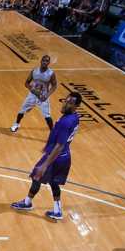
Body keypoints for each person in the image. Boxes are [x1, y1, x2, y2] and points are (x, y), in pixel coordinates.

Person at [10, 92, 82, 220]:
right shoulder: (75, 117)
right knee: (54, 183)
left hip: (55, 157)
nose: (66, 103)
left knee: (36, 176)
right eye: (66, 100)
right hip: (65, 156)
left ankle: (27, 203)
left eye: (70, 102)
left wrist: (45, 164)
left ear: (76, 106)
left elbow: (59, 145)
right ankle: (57, 210)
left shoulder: (65, 122)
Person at [11, 54, 58, 133]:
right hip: (32, 95)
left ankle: (52, 132)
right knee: (21, 111)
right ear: (41, 61)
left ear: (49, 62)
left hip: (43, 96)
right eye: (43, 60)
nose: (44, 62)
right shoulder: (34, 71)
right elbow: (26, 83)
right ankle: (16, 124)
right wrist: (31, 89)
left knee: (47, 117)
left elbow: (54, 86)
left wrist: (47, 95)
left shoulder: (51, 73)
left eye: (47, 61)